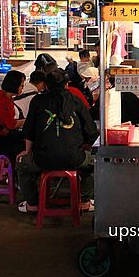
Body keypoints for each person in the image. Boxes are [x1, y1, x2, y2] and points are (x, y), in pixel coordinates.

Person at [17, 68, 98, 213]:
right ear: (66, 84)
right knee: (94, 162)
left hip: (42, 159)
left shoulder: (37, 101)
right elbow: (91, 132)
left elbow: (28, 132)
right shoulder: (76, 101)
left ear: (46, 85)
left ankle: (33, 204)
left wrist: (27, 152)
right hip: (75, 158)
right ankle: (85, 201)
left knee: (22, 165)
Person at [0, 70, 26, 164]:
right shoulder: (1, 102)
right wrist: (26, 120)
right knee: (28, 146)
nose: (22, 88)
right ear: (14, 85)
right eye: (21, 86)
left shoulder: (5, 97)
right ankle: (16, 174)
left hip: (4, 137)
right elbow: (12, 125)